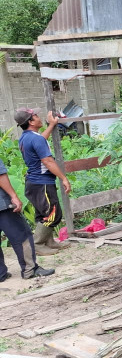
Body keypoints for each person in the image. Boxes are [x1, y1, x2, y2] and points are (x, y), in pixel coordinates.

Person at [15, 108, 71, 256]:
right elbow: (47, 161)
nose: (39, 117)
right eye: (36, 116)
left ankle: (49, 242)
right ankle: (38, 244)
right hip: (42, 183)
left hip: (34, 183)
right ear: (31, 121)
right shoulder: (36, 138)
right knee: (53, 213)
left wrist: (51, 125)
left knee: (43, 213)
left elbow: (40, 141)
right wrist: (63, 178)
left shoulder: (27, 137)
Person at [0, 157, 54, 281]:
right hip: (2, 206)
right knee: (21, 235)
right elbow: (0, 176)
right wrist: (13, 196)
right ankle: (30, 269)